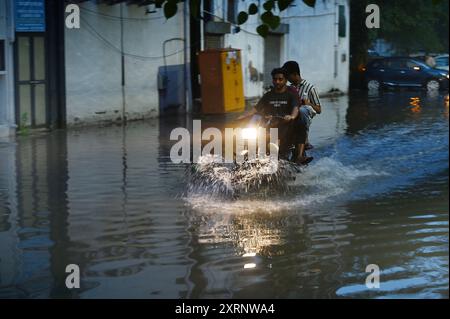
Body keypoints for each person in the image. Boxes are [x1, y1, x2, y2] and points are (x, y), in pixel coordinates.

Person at [238, 68, 312, 164]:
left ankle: (299, 156)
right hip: (271, 126)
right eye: (275, 79)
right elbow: (255, 109)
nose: (277, 81)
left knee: (301, 123)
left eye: (280, 79)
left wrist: (292, 117)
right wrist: (242, 116)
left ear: (285, 80)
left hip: (286, 126)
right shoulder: (268, 95)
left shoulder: (291, 95)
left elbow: (295, 108)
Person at [282, 61, 322, 161]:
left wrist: (308, 104)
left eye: (288, 76)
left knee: (302, 110)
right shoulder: (288, 89)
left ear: (295, 74)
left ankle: (304, 142)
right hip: (290, 122)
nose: (287, 79)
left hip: (302, 122)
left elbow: (319, 109)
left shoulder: (310, 88)